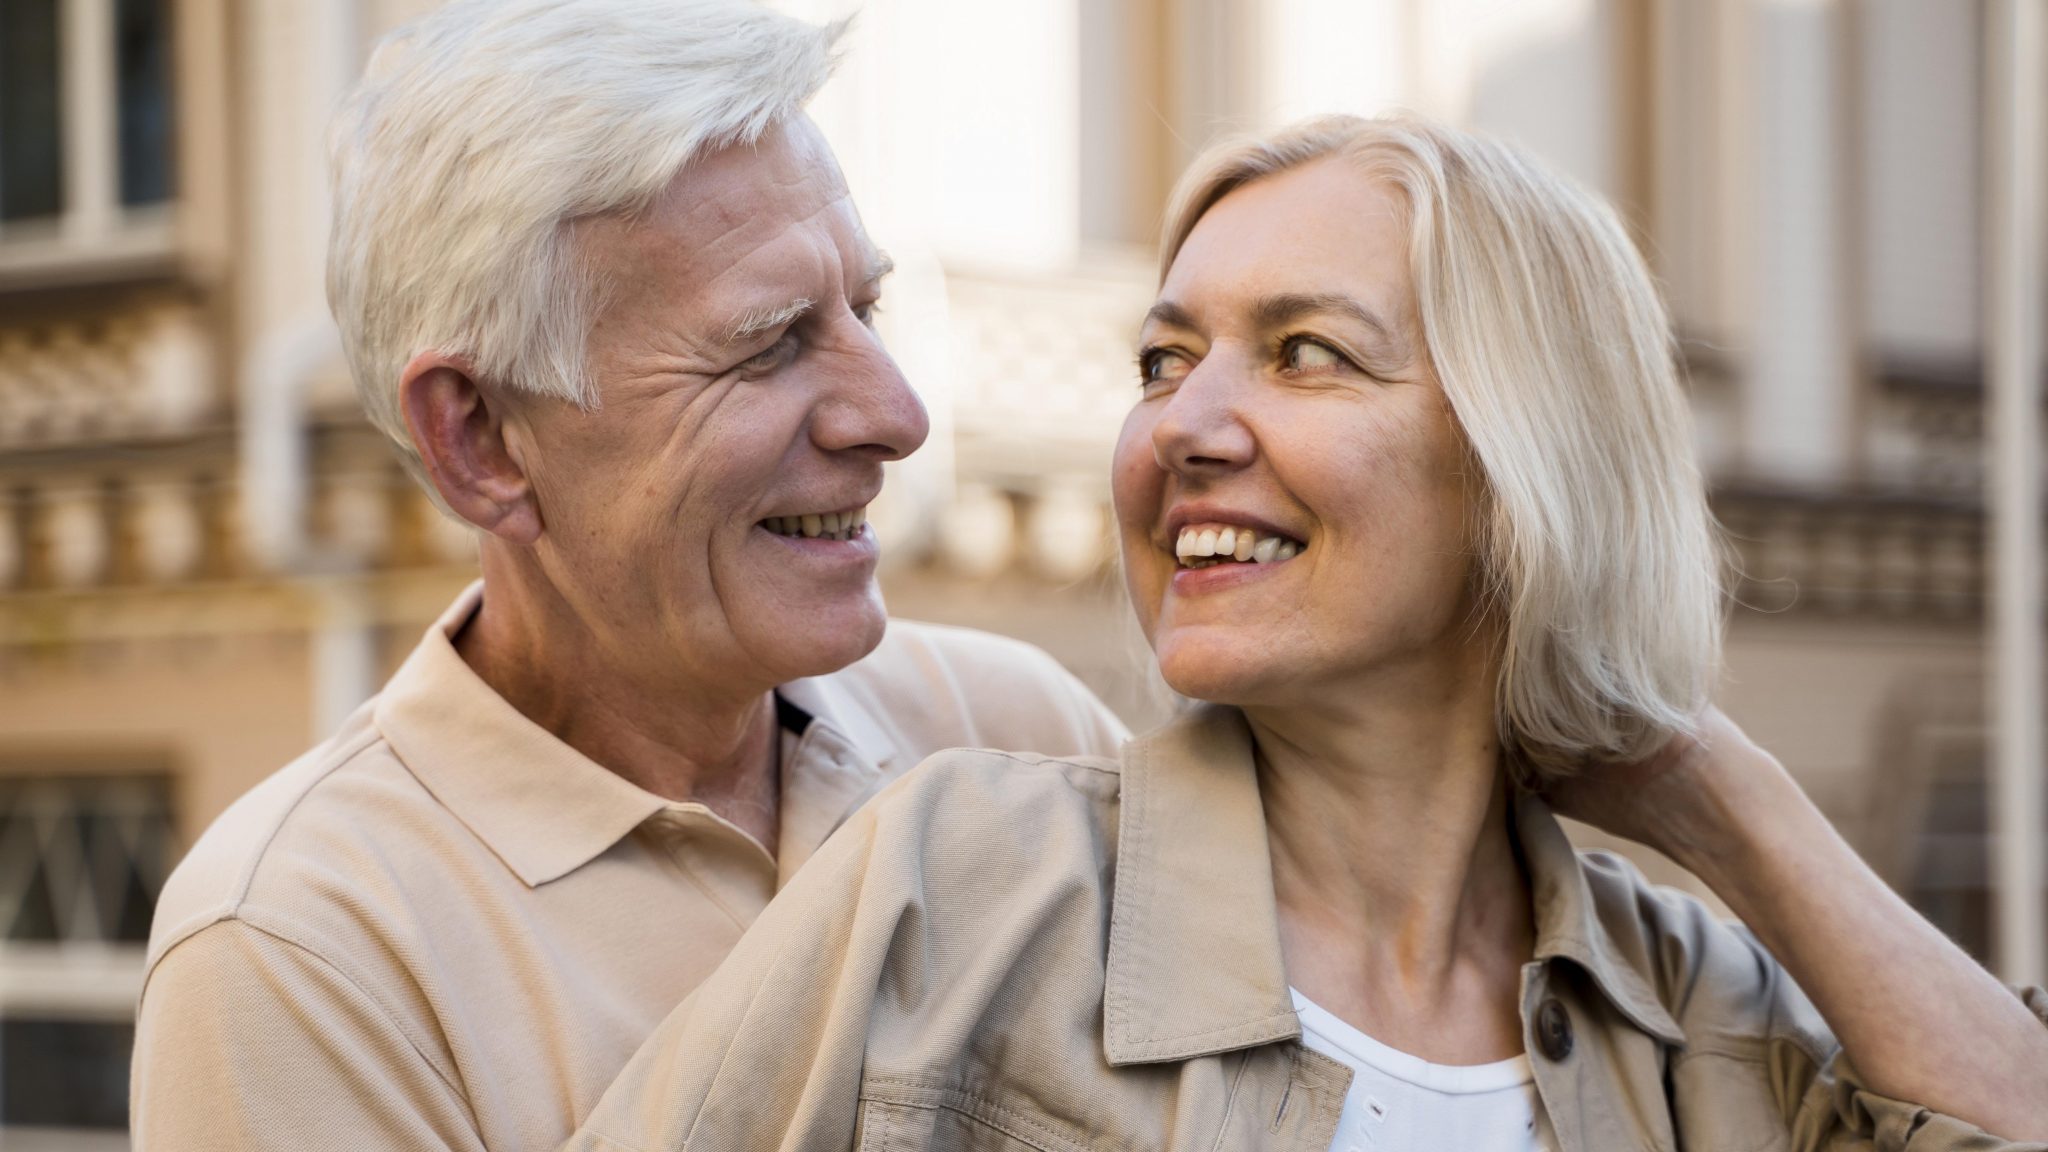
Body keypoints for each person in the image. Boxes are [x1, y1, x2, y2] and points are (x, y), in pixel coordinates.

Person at [562, 117, 2048, 1152]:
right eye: (1164, 358)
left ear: (1523, 460)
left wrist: (1726, 800)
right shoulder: (959, 887)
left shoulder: (1688, 1005)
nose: (1185, 426)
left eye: (1304, 354)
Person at [127, 3, 1127, 1148]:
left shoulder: (1020, 737)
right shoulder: (300, 949)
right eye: (767, 343)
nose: (895, 417)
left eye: (868, 305)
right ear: (479, 441)